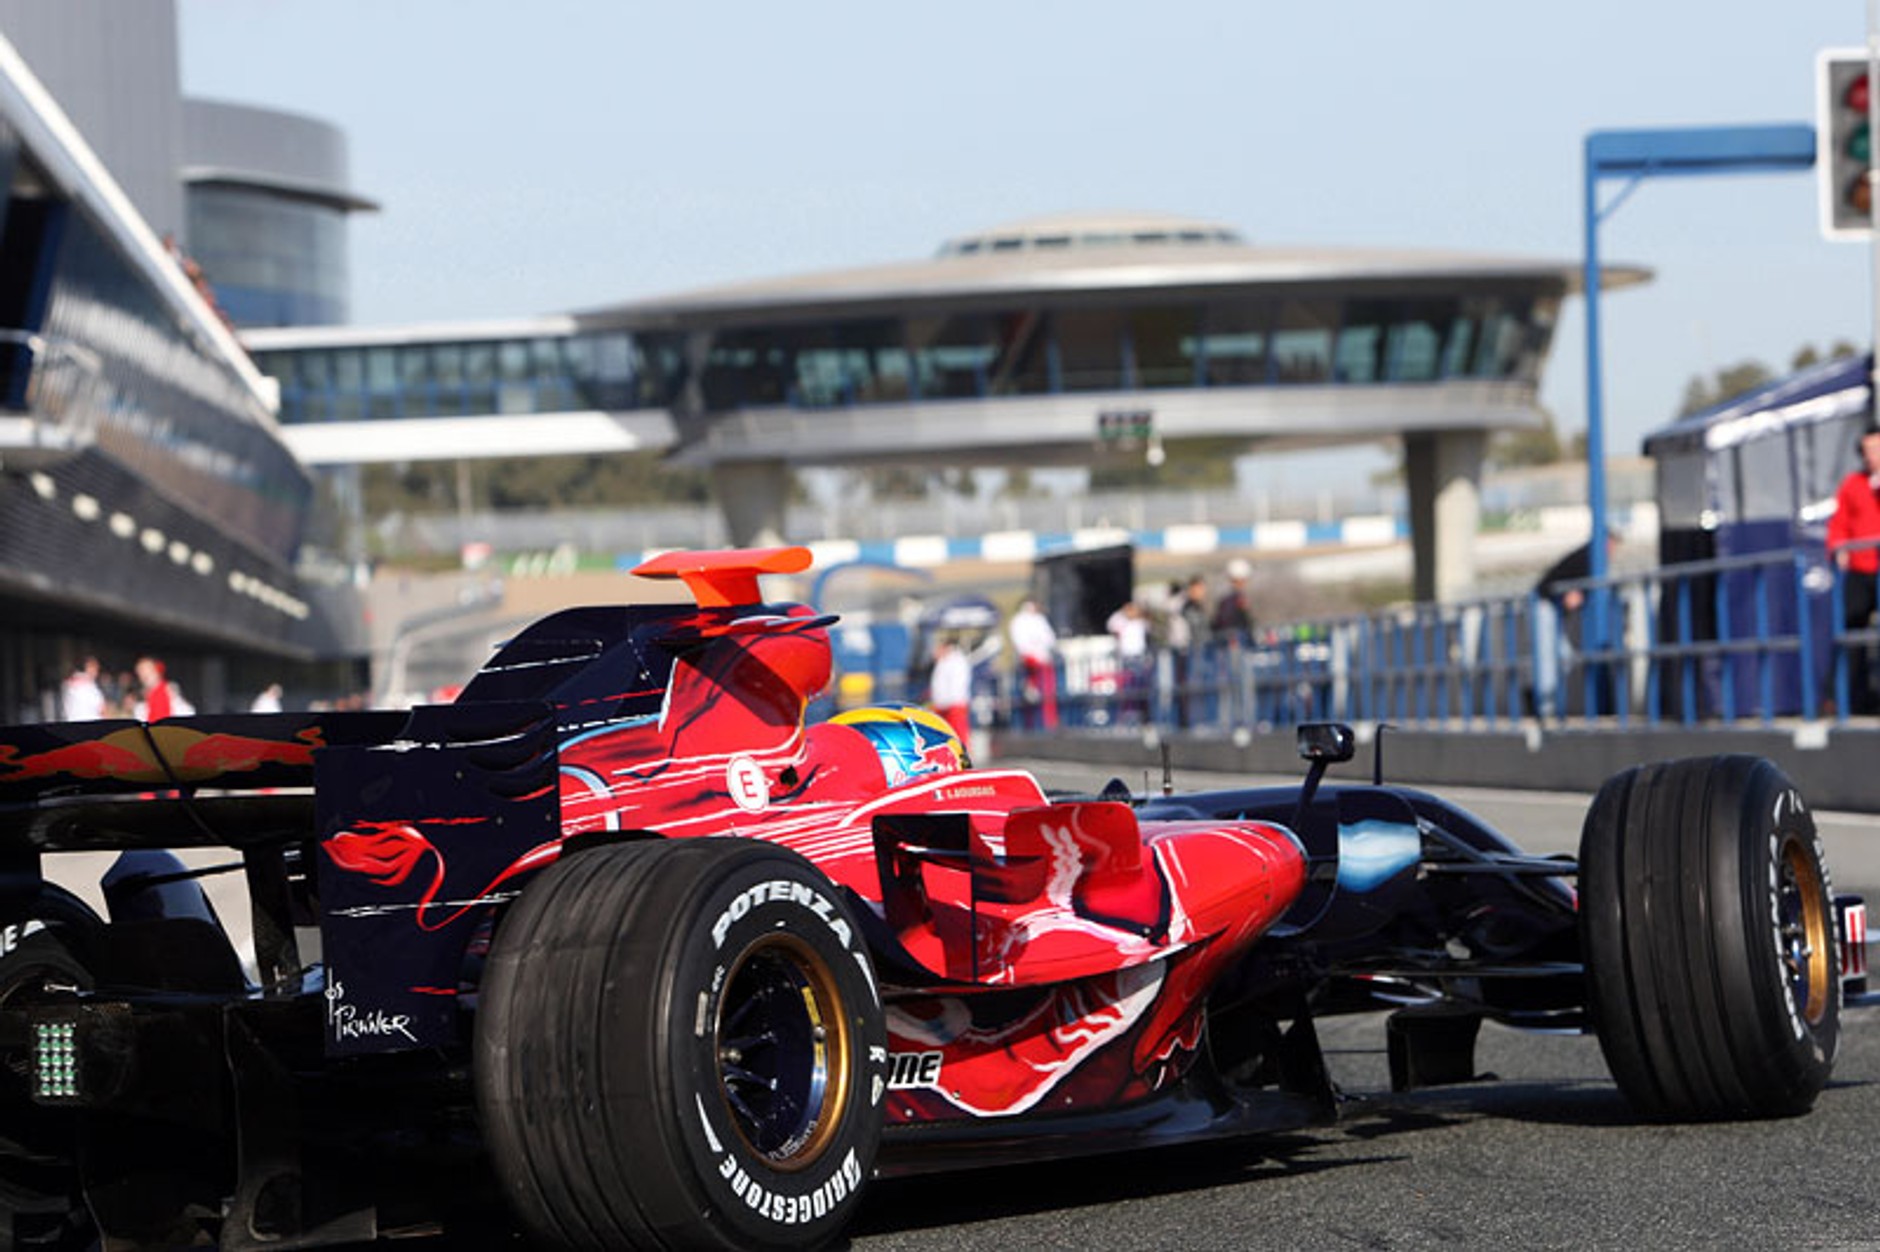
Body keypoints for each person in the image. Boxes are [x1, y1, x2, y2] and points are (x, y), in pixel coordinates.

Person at [1530, 534, 1617, 721]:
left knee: (1563, 657)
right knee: (1549, 658)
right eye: (1612, 544)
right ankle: (1544, 709)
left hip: (1550, 606)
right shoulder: (1588, 560)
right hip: (1545, 604)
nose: (1614, 551)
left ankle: (1544, 703)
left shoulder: (1587, 557)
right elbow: (1572, 598)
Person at [1827, 424, 1880, 713]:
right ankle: (1839, 698)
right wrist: (1839, 548)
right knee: (1849, 630)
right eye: (1868, 450)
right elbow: (1839, 523)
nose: (1873, 456)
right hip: (1862, 568)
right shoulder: (1853, 484)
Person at [1009, 598, 1059, 729]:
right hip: (1030, 659)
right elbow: (1021, 642)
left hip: (1043, 659)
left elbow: (1049, 638)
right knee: (1032, 692)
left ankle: (1049, 721)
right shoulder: (1019, 621)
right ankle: (1032, 721)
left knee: (1048, 692)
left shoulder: (1039, 619)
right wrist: (1029, 652)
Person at [926, 636, 973, 746]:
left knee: (958, 734)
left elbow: (956, 685)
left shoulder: (956, 661)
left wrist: (946, 702)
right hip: (942, 705)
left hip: (953, 704)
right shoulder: (943, 662)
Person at [134, 656, 194, 721]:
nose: (145, 674)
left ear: (158, 670)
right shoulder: (140, 707)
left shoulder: (173, 695)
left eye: (148, 669)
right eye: (140, 671)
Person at [1210, 558, 1254, 648]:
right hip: (1233, 642)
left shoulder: (1238, 597)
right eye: (1242, 580)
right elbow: (1223, 622)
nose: (1244, 583)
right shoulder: (1230, 599)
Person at [60, 656, 106, 721]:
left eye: (96, 669)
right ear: (85, 668)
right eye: (92, 667)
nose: (96, 672)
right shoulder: (87, 686)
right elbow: (102, 709)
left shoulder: (71, 683)